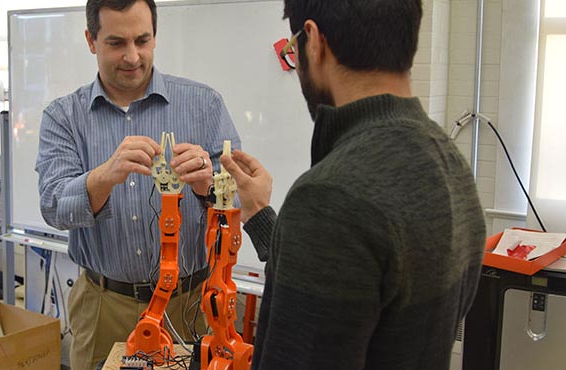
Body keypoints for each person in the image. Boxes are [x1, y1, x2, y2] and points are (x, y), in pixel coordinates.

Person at [220, 0, 486, 369]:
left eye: (292, 49)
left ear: (313, 41)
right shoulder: (449, 162)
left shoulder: (328, 197)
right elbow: (361, 283)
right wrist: (263, 218)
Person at [35, 1, 240, 369]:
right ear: (90, 40)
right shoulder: (63, 116)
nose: (133, 56)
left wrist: (207, 185)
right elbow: (53, 206)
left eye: (142, 40)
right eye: (116, 43)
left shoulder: (204, 104)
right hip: (103, 306)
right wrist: (104, 176)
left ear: (155, 37)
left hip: (189, 305)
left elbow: (239, 194)